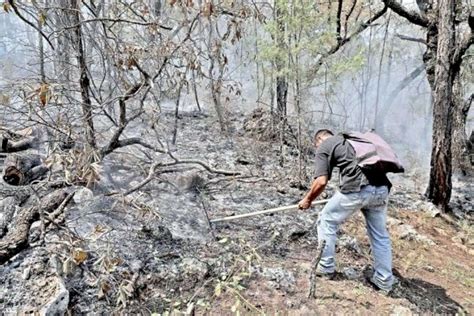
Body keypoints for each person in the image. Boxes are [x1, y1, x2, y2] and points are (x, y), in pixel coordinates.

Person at [298, 129, 394, 294]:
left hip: (358, 189)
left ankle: (325, 266)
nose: (317, 150)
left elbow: (321, 181)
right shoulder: (351, 140)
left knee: (326, 219)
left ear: (319, 140)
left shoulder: (325, 145)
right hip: (382, 189)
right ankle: (384, 280)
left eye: (316, 146)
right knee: (380, 235)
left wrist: (308, 199)